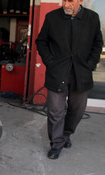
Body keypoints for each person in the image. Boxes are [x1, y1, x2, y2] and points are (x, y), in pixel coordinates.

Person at [36, 0, 103, 159]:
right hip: (58, 72)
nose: (66, 4)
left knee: (77, 110)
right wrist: (50, 62)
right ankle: (56, 143)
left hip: (81, 73)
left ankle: (66, 134)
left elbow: (97, 43)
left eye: (71, 1)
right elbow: (41, 42)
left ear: (80, 1)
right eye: (64, 0)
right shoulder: (52, 17)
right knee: (55, 111)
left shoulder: (92, 18)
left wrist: (90, 64)